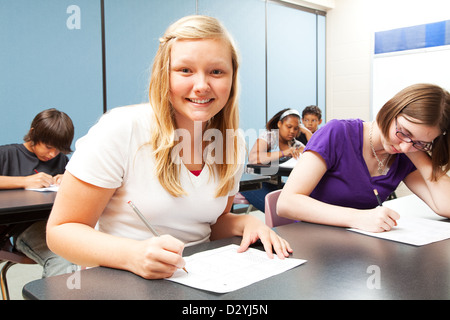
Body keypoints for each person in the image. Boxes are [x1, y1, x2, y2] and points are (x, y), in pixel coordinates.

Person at [46, 15, 292, 280]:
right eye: (185, 70)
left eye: (216, 71)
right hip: (120, 282)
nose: (201, 86)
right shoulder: (120, 129)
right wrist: (132, 255)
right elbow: (61, 231)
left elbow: (210, 225)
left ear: (232, 78)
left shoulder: (231, 143)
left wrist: (244, 221)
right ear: (165, 73)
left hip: (198, 279)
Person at [278, 83, 450, 233]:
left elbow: (446, 206)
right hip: (311, 244)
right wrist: (358, 218)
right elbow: (286, 203)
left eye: (421, 142)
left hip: (360, 249)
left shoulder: (405, 153)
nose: (404, 146)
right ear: (390, 109)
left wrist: (417, 151)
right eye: (404, 132)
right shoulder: (338, 133)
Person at [0, 108, 75, 277]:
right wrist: (24, 181)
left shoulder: (61, 160)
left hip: (58, 224)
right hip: (22, 228)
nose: (52, 154)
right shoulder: (7, 154)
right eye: (48, 146)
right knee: (62, 259)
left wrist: (67, 180)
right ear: (33, 133)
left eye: (58, 150)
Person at [241, 108, 306, 212]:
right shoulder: (269, 136)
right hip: (252, 183)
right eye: (289, 127)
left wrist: (306, 132)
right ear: (279, 124)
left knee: (300, 203)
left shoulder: (295, 144)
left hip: (275, 183)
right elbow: (253, 158)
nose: (292, 131)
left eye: (296, 128)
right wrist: (284, 153)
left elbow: (311, 155)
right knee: (277, 211)